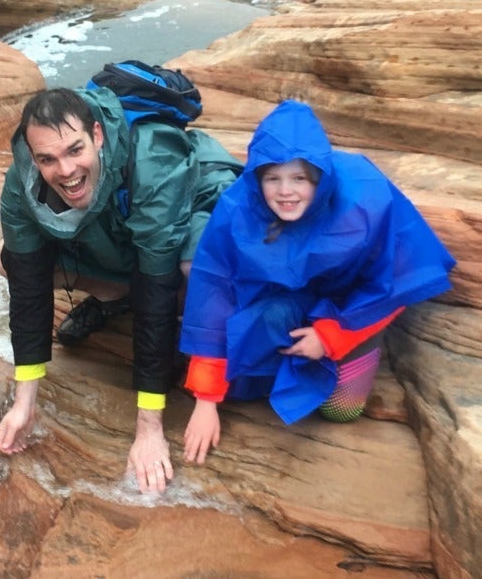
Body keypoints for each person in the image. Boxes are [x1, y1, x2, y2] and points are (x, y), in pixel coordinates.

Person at [179, 99, 456, 463]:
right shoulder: (237, 210)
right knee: (235, 378)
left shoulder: (364, 197)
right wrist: (206, 400)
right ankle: (283, 367)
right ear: (257, 178)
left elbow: (399, 277)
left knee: (341, 411)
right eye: (272, 178)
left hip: (355, 307)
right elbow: (213, 294)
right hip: (287, 299)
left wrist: (331, 336)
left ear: (319, 177)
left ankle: (338, 357)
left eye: (299, 178)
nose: (285, 192)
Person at [0, 86, 240, 492]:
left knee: (189, 269)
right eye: (48, 159)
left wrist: (149, 429)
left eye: (75, 150)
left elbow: (156, 285)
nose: (66, 169)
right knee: (7, 257)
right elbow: (27, 283)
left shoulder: (152, 161)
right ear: (32, 156)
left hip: (190, 204)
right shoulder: (21, 181)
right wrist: (25, 402)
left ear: (98, 135)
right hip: (119, 229)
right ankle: (114, 300)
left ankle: (192, 333)